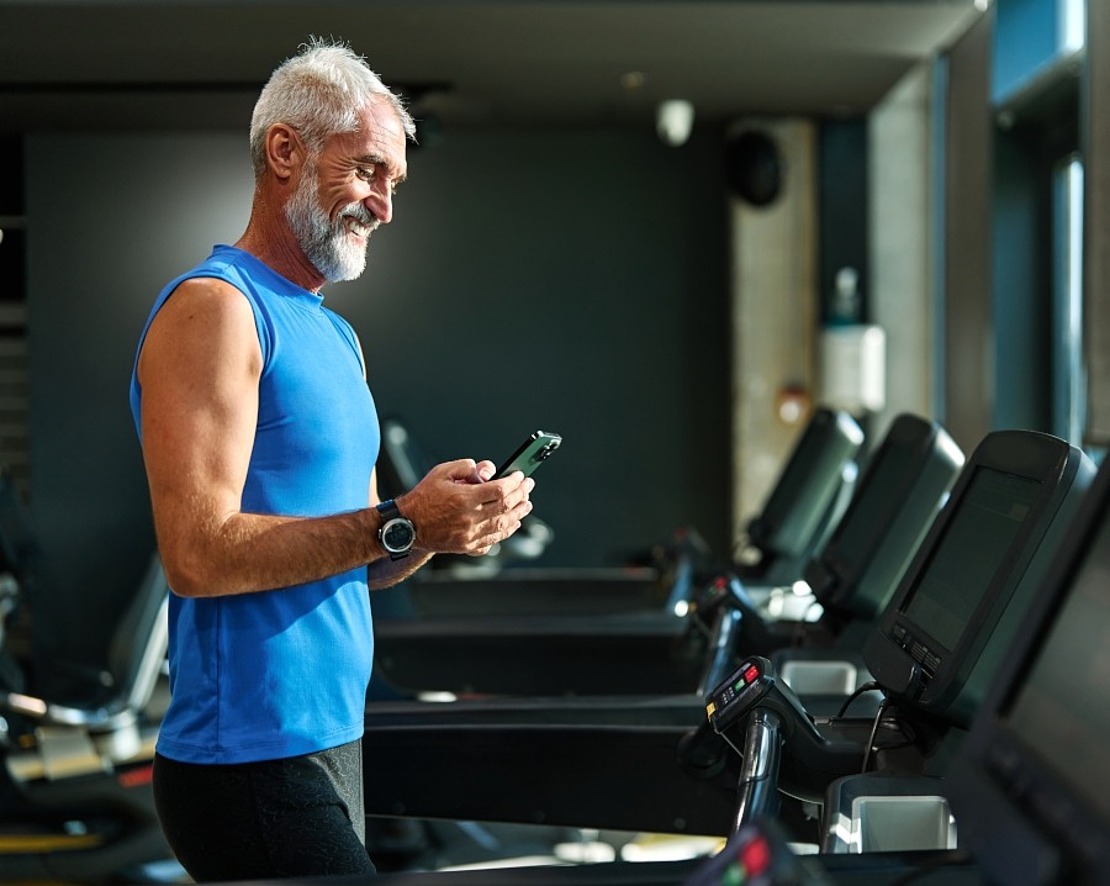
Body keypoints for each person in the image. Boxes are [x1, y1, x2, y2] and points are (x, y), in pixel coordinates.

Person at [128, 38, 535, 880]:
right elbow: (197, 556)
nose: (385, 205)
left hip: (333, 736)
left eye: (395, 183)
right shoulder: (218, 310)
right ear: (286, 152)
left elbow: (363, 557)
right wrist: (401, 521)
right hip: (245, 755)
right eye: (370, 171)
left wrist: (430, 528)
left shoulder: (336, 334)